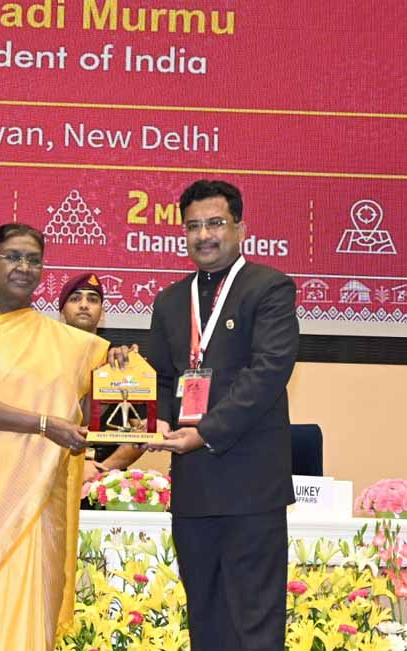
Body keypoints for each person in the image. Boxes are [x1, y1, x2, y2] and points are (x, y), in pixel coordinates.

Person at [111, 180, 299, 651]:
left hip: (251, 487)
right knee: (206, 621)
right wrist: (152, 412)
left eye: (215, 223)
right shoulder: (171, 301)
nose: (203, 235)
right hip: (193, 488)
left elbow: (268, 372)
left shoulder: (269, 287)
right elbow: (160, 378)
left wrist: (205, 432)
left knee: (255, 626)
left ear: (240, 228)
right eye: (193, 226)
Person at [0, 223, 109, 651]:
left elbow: (99, 390)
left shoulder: (58, 339)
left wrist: (120, 365)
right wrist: (45, 425)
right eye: (12, 257)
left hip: (36, 495)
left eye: (33, 260)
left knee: (29, 602)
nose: (24, 267)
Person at [57, 272, 146, 494]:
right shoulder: (44, 360)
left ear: (103, 313)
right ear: (61, 312)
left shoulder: (120, 361)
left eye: (92, 299)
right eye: (75, 298)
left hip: (106, 483)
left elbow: (143, 431)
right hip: (52, 474)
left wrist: (101, 470)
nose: (84, 305)